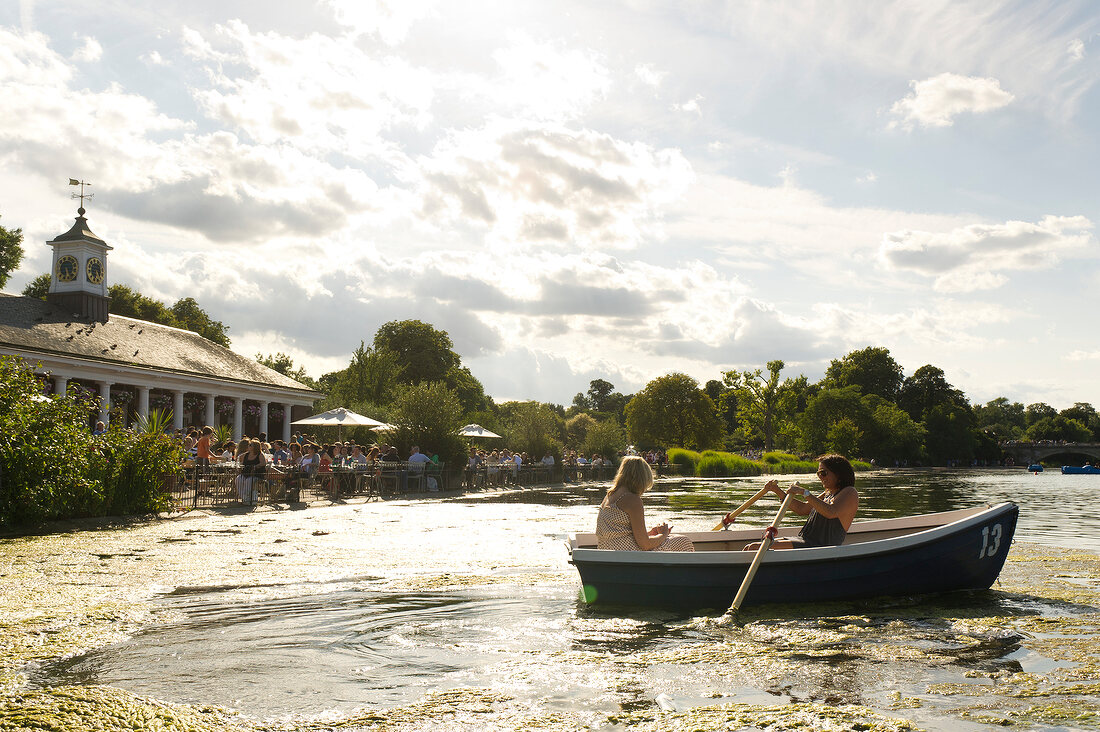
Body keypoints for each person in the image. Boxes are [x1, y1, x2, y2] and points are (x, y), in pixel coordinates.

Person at [744, 454, 859, 550]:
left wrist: (804, 492)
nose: (820, 477)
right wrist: (777, 491)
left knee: (754, 548)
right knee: (748, 547)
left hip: (820, 547)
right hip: (805, 540)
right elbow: (802, 509)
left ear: (838, 473)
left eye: (823, 473)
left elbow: (831, 512)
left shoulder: (849, 492)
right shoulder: (828, 493)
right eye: (818, 474)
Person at [596, 456, 693, 551]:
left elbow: (619, 533)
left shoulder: (610, 495)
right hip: (627, 555)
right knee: (683, 541)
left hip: (607, 551)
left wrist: (650, 533)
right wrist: (663, 534)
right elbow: (645, 545)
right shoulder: (632, 499)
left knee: (673, 538)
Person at [236, 440, 266, 505]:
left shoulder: (260, 454)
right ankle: (244, 497)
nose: (248, 446)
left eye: (250, 445)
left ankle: (248, 498)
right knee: (238, 479)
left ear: (254, 447)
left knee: (248, 481)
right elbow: (240, 460)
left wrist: (255, 466)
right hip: (246, 473)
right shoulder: (246, 455)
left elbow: (263, 463)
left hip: (256, 474)